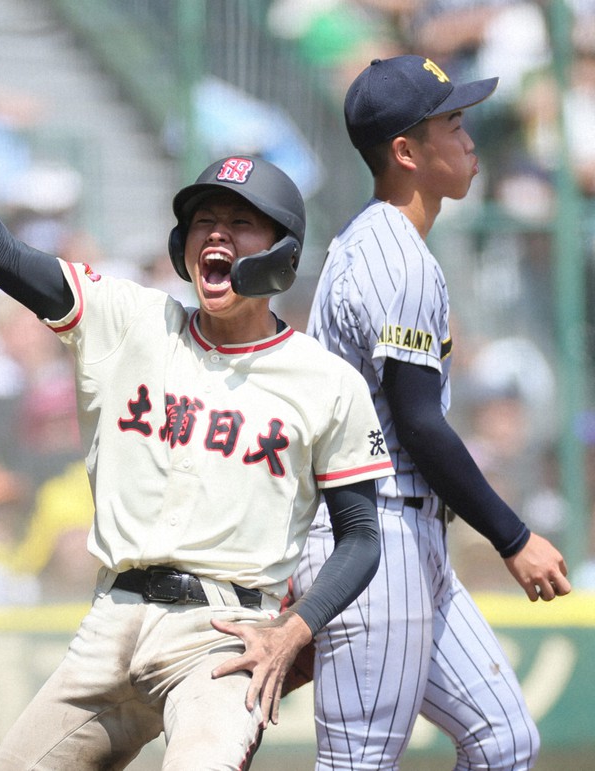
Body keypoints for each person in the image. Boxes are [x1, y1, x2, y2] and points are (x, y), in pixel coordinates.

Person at [0, 29, 395, 770]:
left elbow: (362, 536)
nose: (216, 235)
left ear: (282, 251)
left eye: (238, 221)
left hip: (224, 635)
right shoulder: (128, 319)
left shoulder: (326, 381)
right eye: (204, 221)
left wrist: (298, 629)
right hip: (111, 621)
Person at [292, 55, 572, 770]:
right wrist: (513, 537)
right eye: (451, 122)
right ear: (406, 152)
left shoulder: (381, 241)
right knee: (359, 764)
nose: (469, 136)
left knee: (505, 736)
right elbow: (420, 421)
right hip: (372, 536)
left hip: (406, 534)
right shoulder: (396, 261)